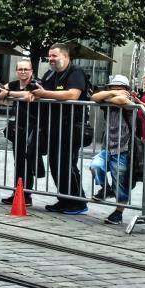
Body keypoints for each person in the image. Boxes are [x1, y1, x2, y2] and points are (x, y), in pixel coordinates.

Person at [33, 42, 90, 213]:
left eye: (54, 55)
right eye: (49, 56)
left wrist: (44, 94)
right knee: (55, 164)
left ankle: (78, 202)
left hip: (71, 127)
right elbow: (40, 88)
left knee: (67, 164)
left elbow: (73, 94)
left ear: (65, 56)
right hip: (53, 127)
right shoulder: (51, 74)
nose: (51, 59)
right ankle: (64, 198)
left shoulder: (76, 72)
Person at [89, 74, 145, 225]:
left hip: (124, 147)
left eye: (120, 87)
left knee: (120, 182)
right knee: (95, 165)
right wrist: (113, 93)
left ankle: (118, 213)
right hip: (108, 146)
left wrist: (112, 96)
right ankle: (106, 189)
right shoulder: (109, 97)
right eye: (113, 87)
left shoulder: (131, 101)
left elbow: (122, 101)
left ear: (127, 89)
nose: (116, 89)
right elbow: (94, 97)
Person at [0, 57, 43, 204]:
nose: (23, 72)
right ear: (16, 71)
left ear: (31, 71)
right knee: (19, 162)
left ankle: (26, 195)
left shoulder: (36, 83)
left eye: (26, 69)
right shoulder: (14, 84)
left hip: (34, 128)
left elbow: (28, 95)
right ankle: (18, 192)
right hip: (19, 128)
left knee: (28, 161)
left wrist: (8, 93)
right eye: (20, 69)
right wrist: (1, 91)